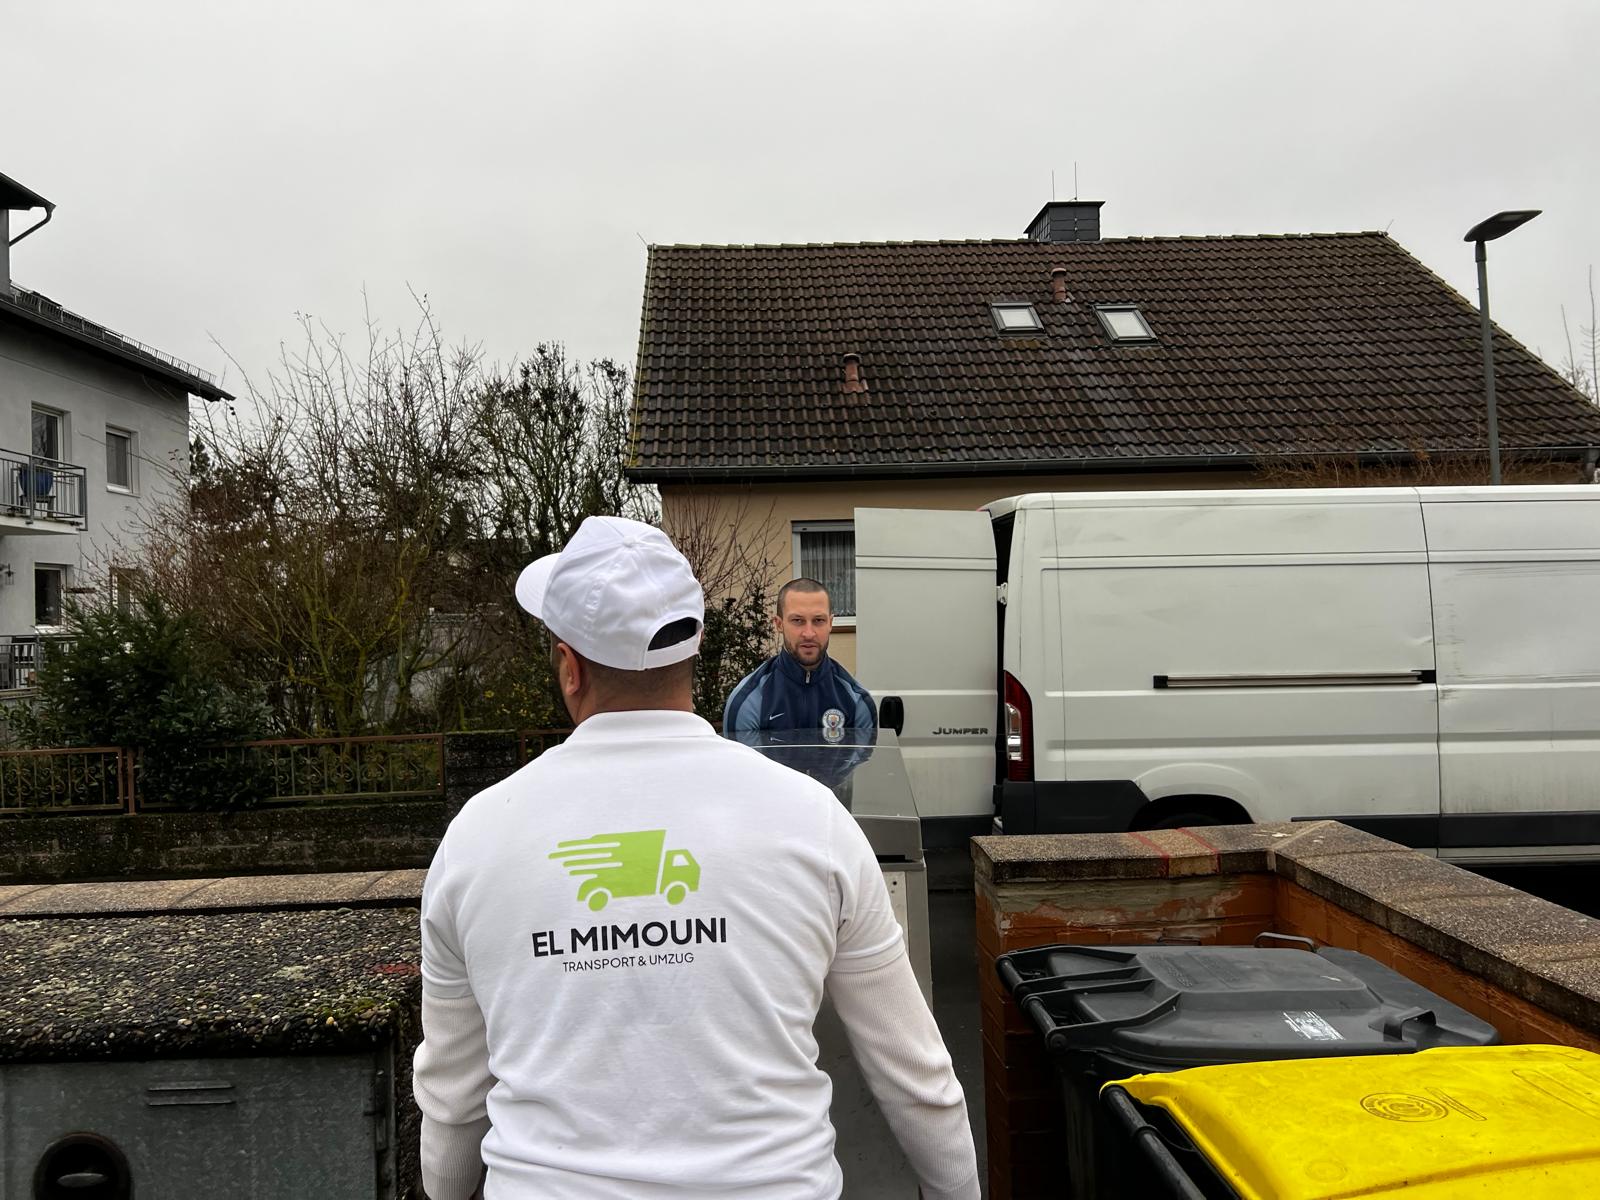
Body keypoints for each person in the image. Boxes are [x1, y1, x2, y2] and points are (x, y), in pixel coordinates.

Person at [413, 516, 978, 1200]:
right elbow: (918, 1077)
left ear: (569, 667)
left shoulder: (475, 840)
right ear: (696, 645)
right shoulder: (814, 821)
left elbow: (453, 1104)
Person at [722, 578, 876, 740]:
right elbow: (740, 757)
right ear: (779, 624)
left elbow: (863, 757)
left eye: (818, 620)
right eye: (797, 621)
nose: (809, 633)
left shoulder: (857, 701)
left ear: (830, 623)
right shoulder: (748, 702)